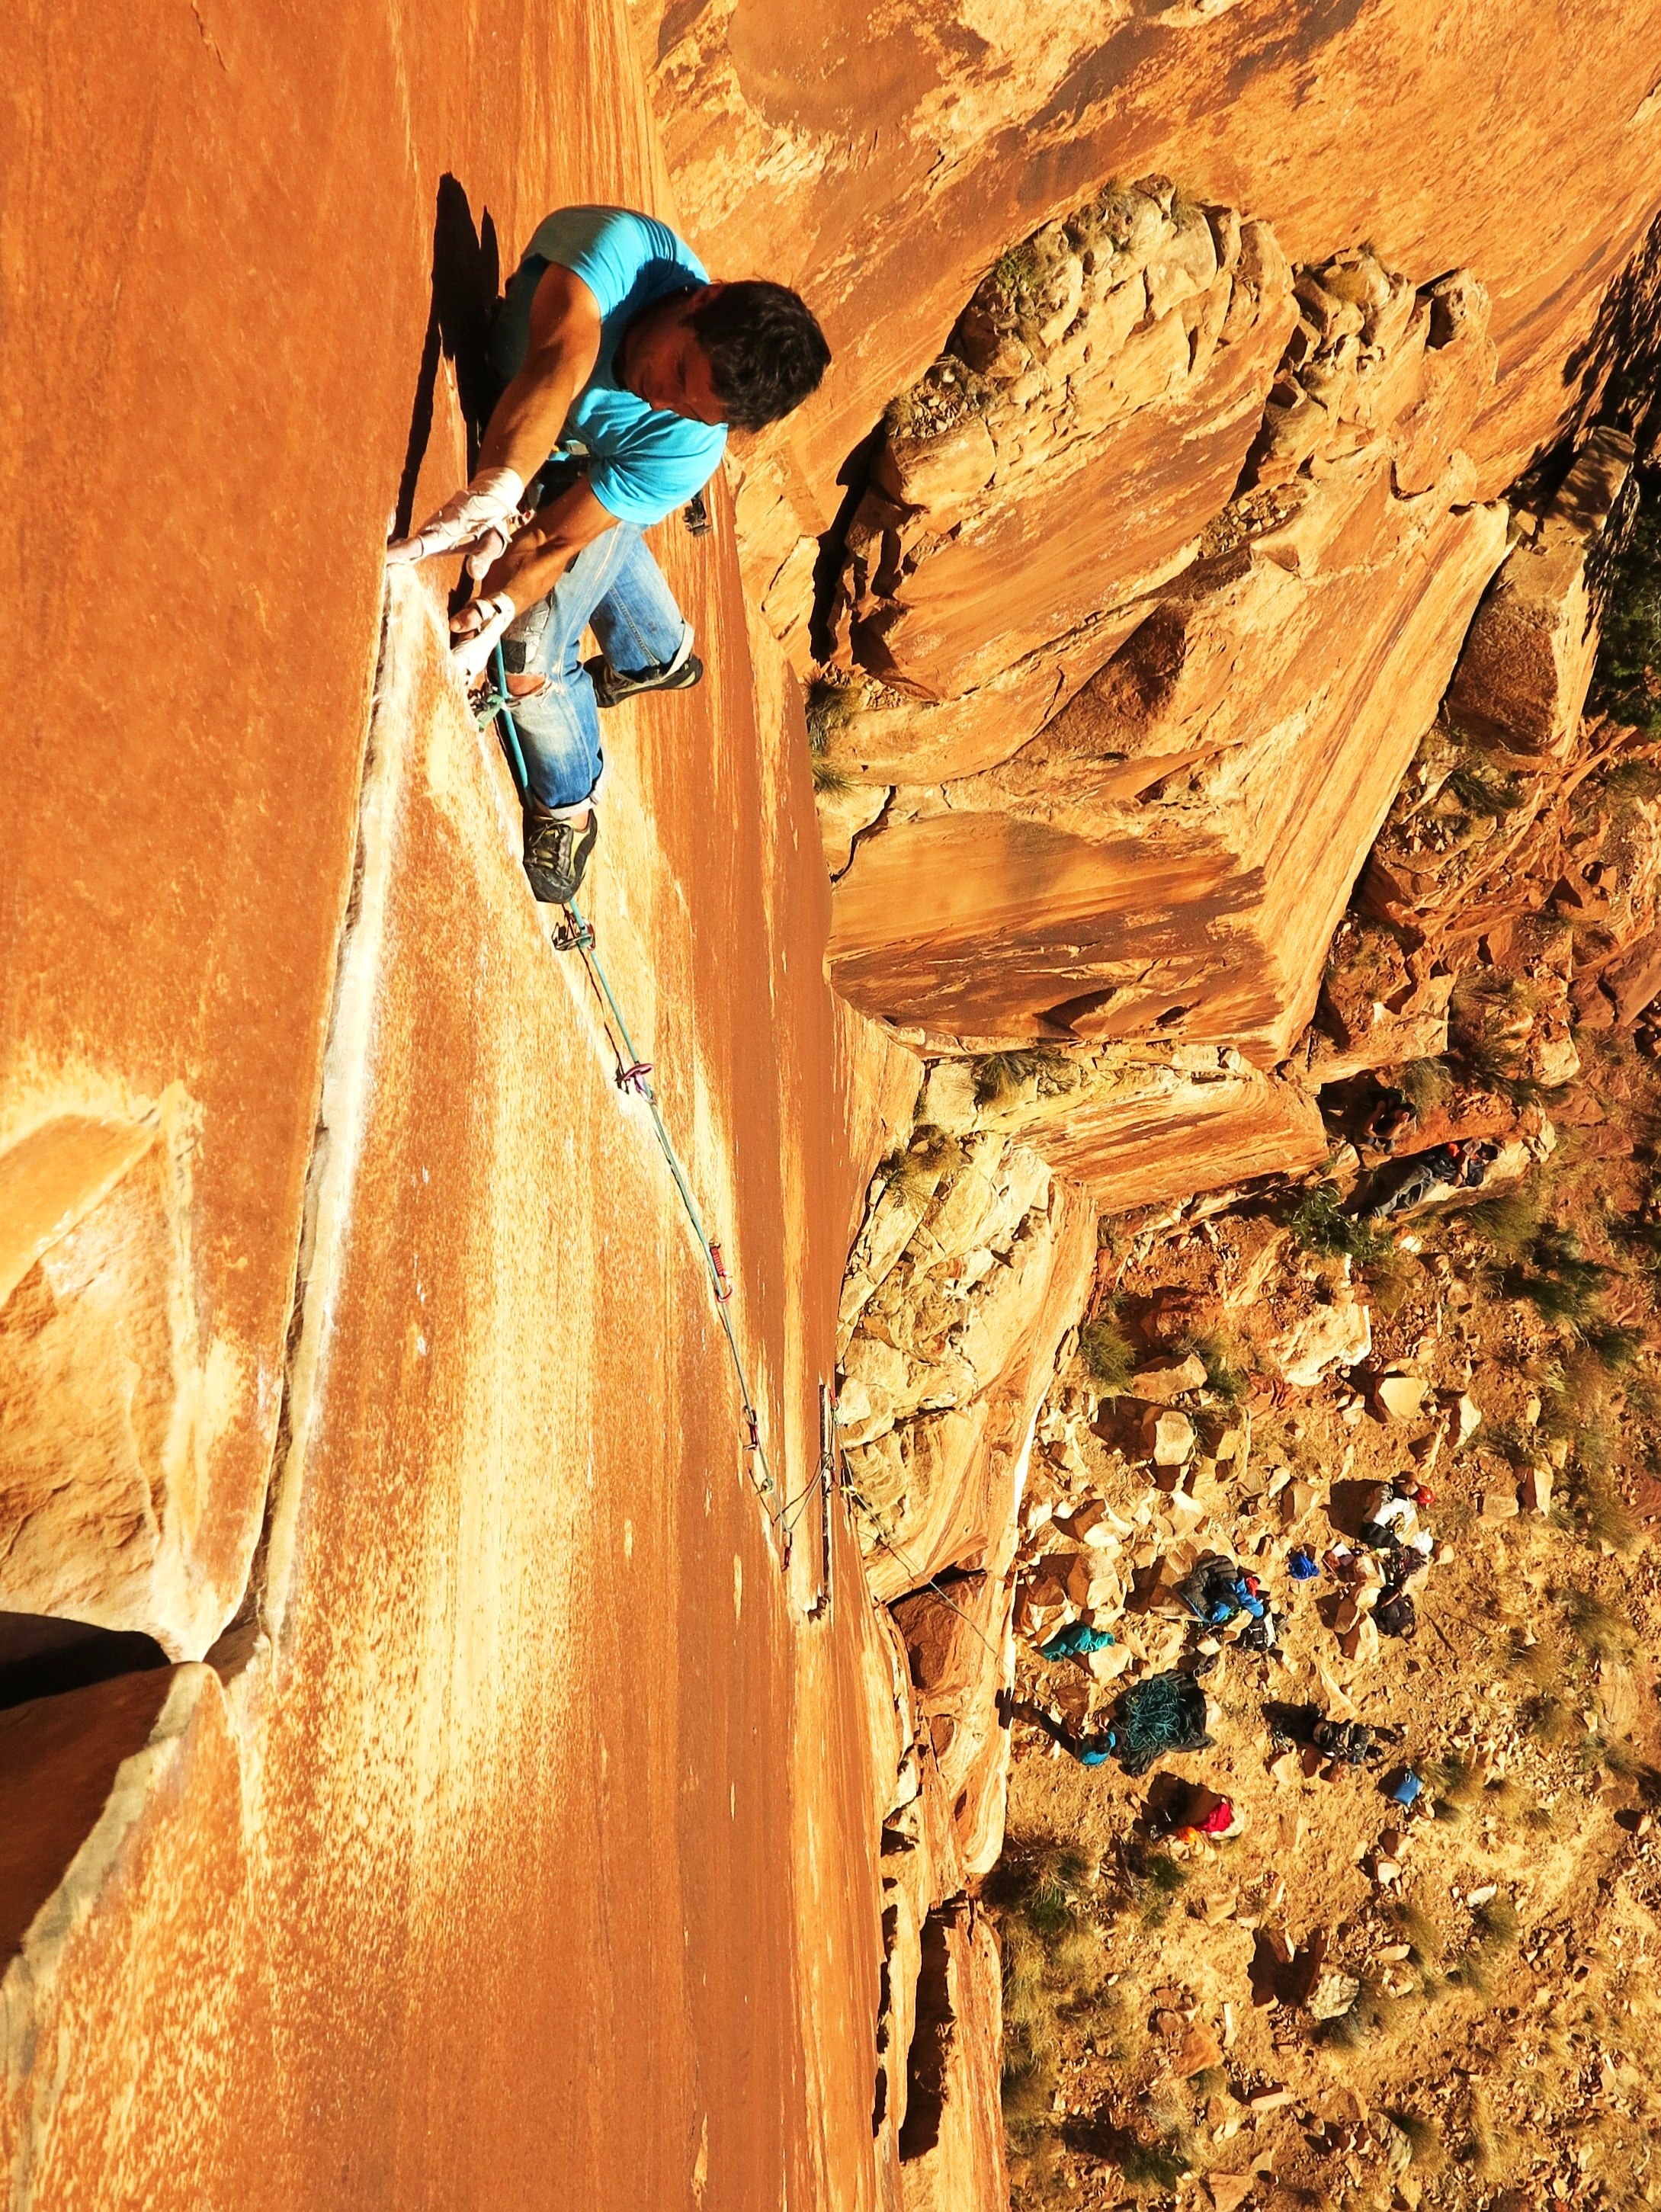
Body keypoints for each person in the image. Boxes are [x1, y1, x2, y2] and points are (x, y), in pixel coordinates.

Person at [389, 207, 831, 904]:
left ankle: (569, 805)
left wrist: (499, 611)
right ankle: (657, 651)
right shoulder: (621, 256)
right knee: (586, 505)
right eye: (679, 368)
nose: (661, 397)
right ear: (702, 299)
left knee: (528, 656)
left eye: (689, 407)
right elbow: (558, 365)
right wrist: (500, 483)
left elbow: (557, 538)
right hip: (552, 433)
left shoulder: (686, 446)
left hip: (592, 471)